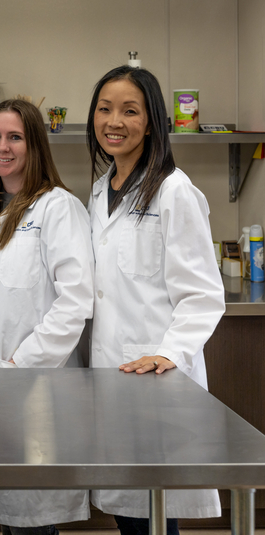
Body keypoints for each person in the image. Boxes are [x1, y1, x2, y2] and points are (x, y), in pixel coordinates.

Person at [0, 99, 94, 533]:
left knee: (33, 515)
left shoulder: (57, 208)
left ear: (35, 146)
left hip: (33, 390)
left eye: (15, 137)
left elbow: (74, 302)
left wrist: (20, 367)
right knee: (7, 513)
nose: (2, 147)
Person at [85, 66, 225, 534]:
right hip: (111, 371)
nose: (114, 121)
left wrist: (168, 352)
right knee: (131, 512)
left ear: (152, 120)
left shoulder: (173, 189)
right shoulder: (101, 188)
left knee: (154, 514)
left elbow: (203, 294)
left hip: (155, 373)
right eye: (105, 109)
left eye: (130, 110)